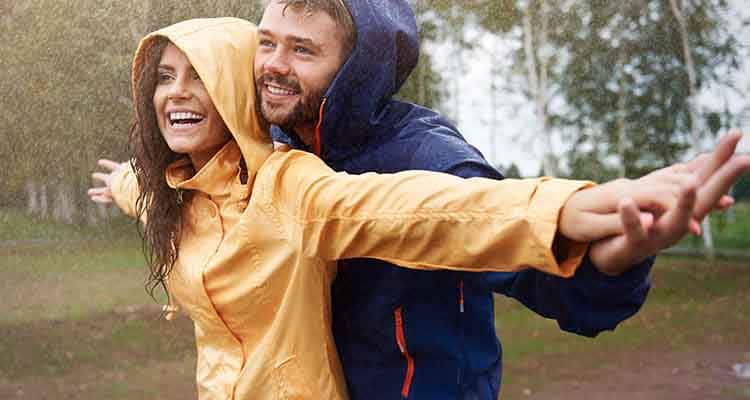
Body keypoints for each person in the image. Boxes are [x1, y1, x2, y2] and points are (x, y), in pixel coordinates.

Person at [90, 16, 746, 400]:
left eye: (304, 50)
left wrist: (590, 220)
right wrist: (128, 182)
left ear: (359, 66)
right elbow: (173, 198)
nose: (274, 67)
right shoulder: (243, 154)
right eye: (267, 43)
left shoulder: (408, 160)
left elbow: (445, 214)